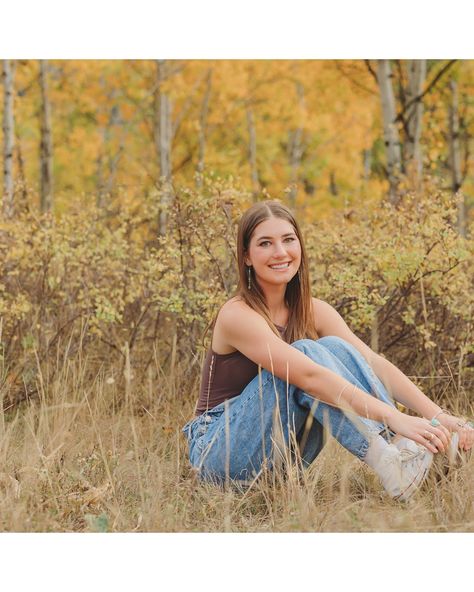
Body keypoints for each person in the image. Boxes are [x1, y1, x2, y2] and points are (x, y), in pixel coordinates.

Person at [182, 200, 474, 501]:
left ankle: (403, 452)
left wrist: (438, 415)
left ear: (300, 246)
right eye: (265, 243)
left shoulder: (313, 311)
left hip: (282, 463)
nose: (280, 252)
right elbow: (308, 375)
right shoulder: (237, 314)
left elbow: (374, 364)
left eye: (288, 240)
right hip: (218, 456)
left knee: (335, 347)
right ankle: (392, 461)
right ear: (246, 257)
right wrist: (393, 417)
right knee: (305, 354)